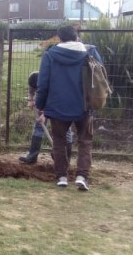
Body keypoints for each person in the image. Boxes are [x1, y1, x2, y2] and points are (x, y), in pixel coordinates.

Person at [35, 25, 103, 190]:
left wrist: (40, 105)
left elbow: (42, 83)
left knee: (59, 141)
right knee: (85, 141)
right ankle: (81, 176)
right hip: (84, 105)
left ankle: (62, 177)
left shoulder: (50, 55)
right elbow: (99, 76)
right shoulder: (90, 53)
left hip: (57, 105)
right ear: (77, 37)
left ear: (59, 38)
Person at [19, 71, 74, 164]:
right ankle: (32, 156)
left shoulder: (54, 83)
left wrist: (45, 114)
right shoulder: (33, 78)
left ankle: (65, 158)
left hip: (62, 104)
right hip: (43, 102)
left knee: (65, 130)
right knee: (39, 126)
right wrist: (31, 99)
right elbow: (31, 91)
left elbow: (54, 102)